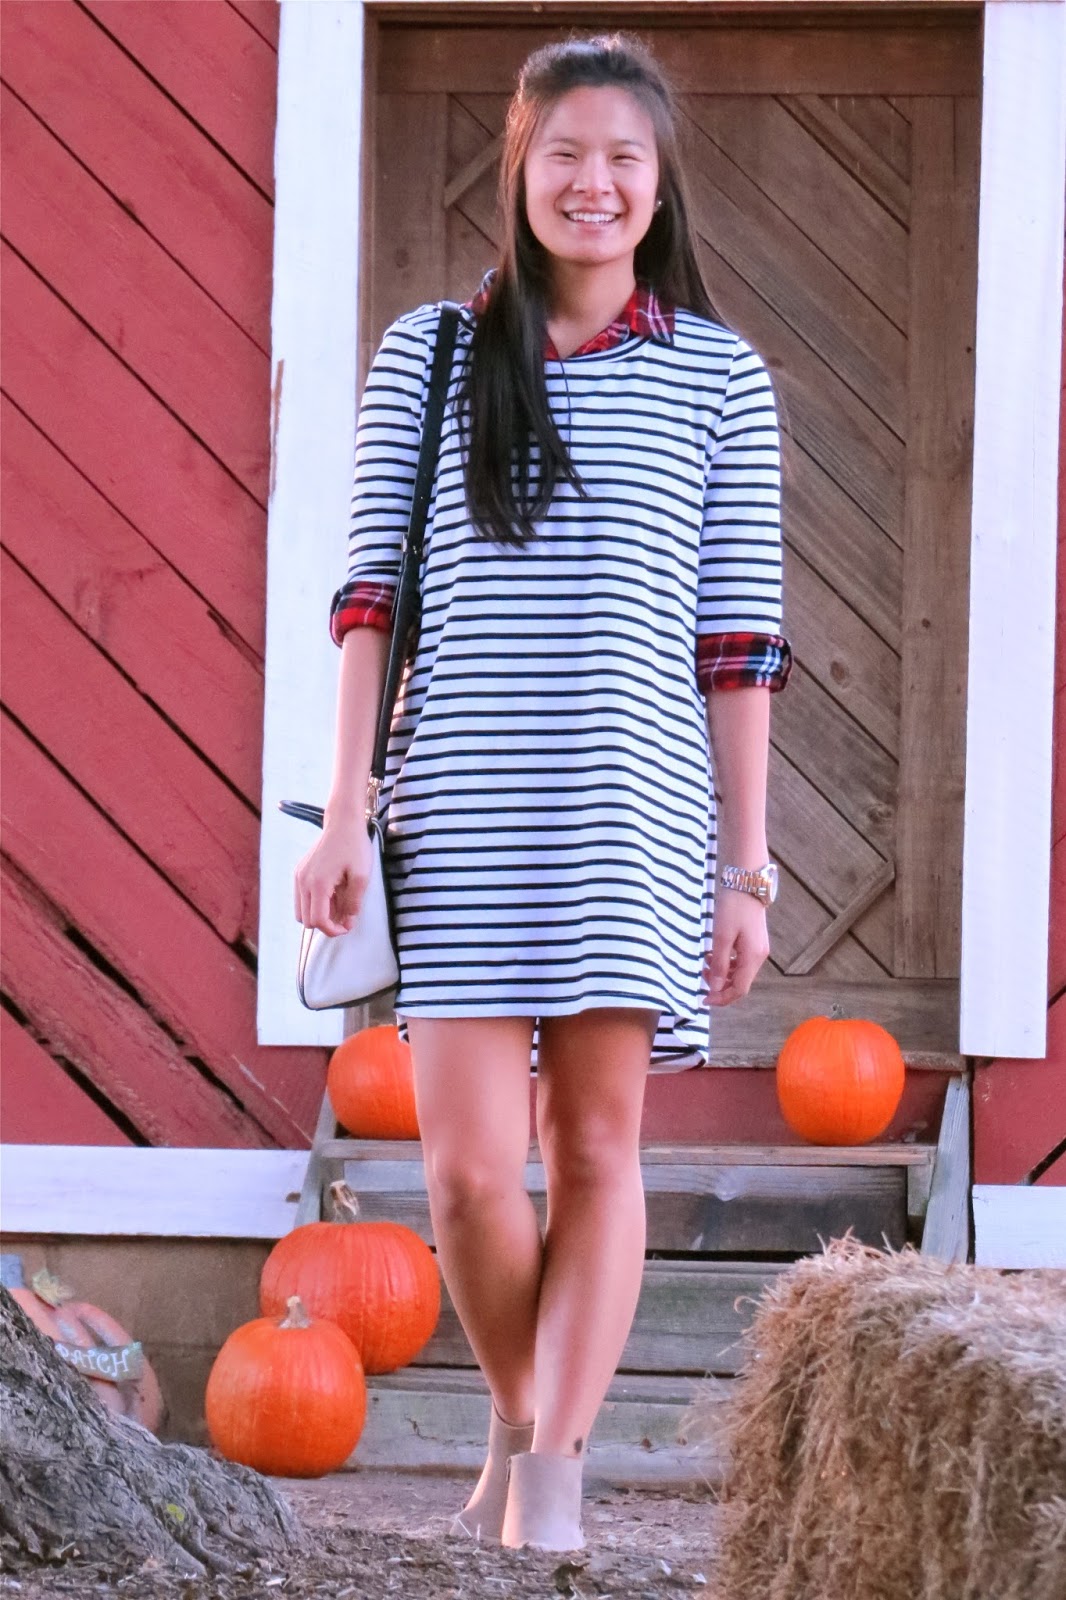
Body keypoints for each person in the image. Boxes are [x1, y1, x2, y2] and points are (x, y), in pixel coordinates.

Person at [294, 32, 792, 1554]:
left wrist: (746, 870)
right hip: (456, 805)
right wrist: (344, 812)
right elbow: (369, 599)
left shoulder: (718, 376)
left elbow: (739, 642)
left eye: (623, 158)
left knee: (592, 1150)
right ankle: (520, 1419)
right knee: (462, 1171)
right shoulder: (429, 356)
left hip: (633, 813)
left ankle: (553, 1479)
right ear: (520, 169)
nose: (594, 182)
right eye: (565, 153)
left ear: (659, 185)